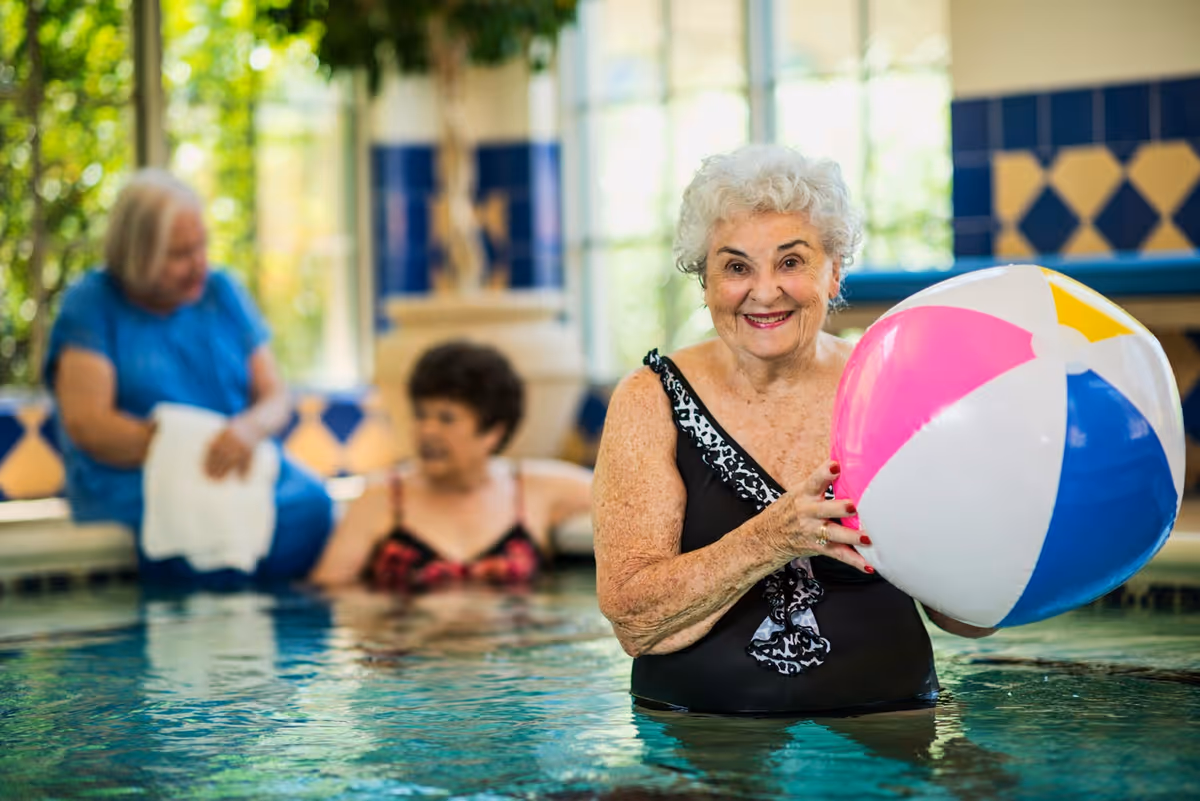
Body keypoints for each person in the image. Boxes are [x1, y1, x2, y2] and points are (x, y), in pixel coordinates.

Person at [593, 144, 995, 716]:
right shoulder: (649, 399)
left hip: (887, 733)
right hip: (703, 742)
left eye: (791, 261)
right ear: (705, 285)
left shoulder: (892, 388)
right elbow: (635, 622)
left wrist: (1002, 521)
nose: (763, 291)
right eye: (735, 267)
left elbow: (966, 619)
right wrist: (771, 539)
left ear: (834, 274)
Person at [45, 168, 333, 584]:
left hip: (234, 458)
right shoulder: (92, 303)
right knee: (201, 522)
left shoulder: (223, 291)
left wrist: (247, 431)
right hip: (138, 474)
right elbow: (89, 425)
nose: (199, 265)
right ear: (135, 255)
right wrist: (187, 448)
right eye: (180, 255)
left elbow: (274, 397)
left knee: (311, 505)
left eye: (201, 247)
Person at [310, 340, 594, 590]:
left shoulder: (534, 489)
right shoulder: (379, 500)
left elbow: (624, 495)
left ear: (492, 431)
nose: (427, 431)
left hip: (509, 649)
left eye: (446, 418)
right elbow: (327, 595)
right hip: (408, 648)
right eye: (421, 415)